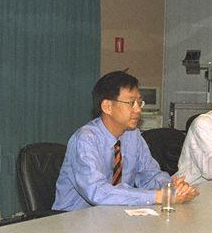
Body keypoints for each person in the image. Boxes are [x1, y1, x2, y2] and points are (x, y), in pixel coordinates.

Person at [53, 71, 198, 211]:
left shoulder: (132, 135)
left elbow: (149, 175)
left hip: (114, 217)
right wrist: (160, 196)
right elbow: (97, 192)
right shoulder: (85, 139)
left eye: (139, 103)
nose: (138, 109)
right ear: (107, 107)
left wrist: (171, 187)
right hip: (74, 220)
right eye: (131, 103)